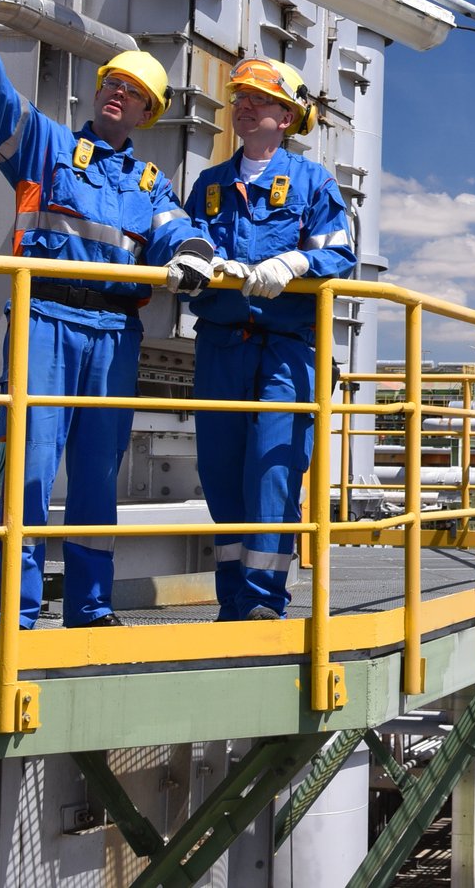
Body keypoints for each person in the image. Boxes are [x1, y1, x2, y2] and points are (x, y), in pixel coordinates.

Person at [0, 0, 216, 628]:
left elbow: (178, 230)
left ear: (147, 112)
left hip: (114, 336)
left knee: (96, 477)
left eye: (132, 91)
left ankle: (89, 606)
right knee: (31, 473)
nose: (118, 93)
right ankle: (19, 611)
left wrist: (196, 253)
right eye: (111, 83)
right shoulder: (49, 149)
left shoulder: (149, 186)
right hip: (46, 324)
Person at [185, 58, 357, 620]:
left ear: (286, 116)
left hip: (288, 349)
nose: (244, 106)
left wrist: (294, 261)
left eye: (258, 99)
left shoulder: (312, 182)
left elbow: (340, 254)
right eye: (240, 99)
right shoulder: (210, 186)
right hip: (220, 344)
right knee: (219, 468)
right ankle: (232, 598)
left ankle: (262, 601)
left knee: (272, 470)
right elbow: (190, 244)